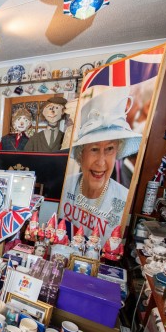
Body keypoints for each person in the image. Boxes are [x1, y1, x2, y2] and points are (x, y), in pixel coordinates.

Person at [60, 88, 141, 244]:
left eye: (110, 149)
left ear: (118, 151)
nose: (101, 162)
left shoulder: (125, 199)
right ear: (80, 154)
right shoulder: (65, 187)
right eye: (94, 149)